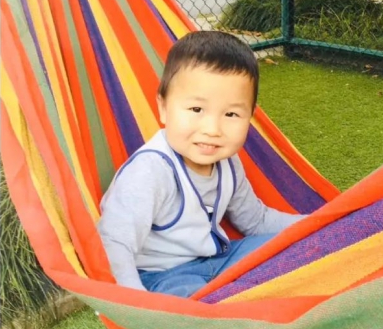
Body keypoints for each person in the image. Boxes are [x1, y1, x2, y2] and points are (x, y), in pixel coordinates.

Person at [98, 31, 303, 297]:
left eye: (231, 114)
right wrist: (135, 300)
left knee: (299, 247)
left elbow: (256, 221)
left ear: (250, 116)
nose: (212, 129)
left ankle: (239, 299)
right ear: (163, 108)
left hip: (221, 260)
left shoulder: (228, 162)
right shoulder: (149, 171)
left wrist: (319, 224)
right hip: (166, 274)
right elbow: (115, 244)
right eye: (196, 110)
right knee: (193, 304)